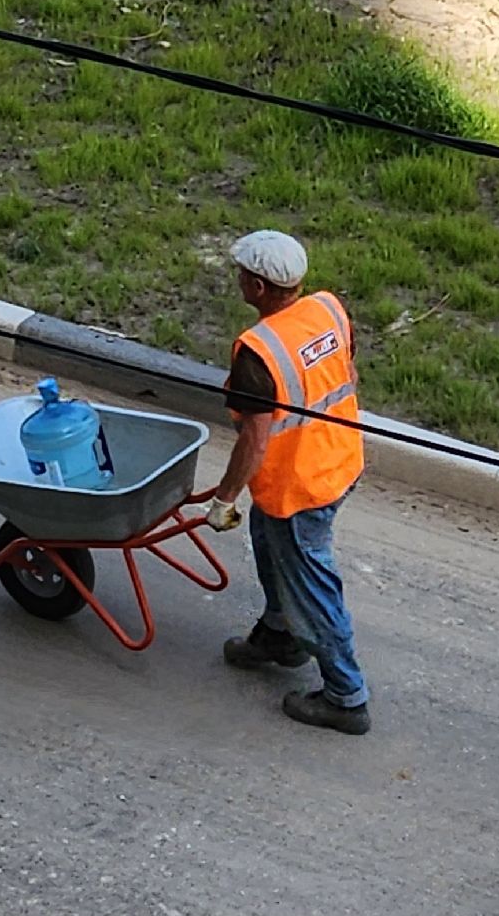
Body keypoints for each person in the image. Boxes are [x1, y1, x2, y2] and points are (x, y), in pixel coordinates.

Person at [205, 230, 371, 735]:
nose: (237, 279)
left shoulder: (258, 354)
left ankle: (346, 696)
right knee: (268, 542)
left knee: (311, 584)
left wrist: (223, 498)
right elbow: (348, 375)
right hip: (338, 460)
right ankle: (279, 636)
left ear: (256, 286)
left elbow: (254, 443)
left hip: (301, 487)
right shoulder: (328, 310)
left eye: (241, 275)